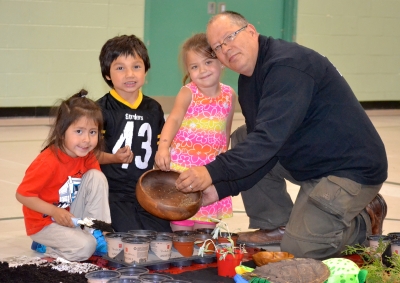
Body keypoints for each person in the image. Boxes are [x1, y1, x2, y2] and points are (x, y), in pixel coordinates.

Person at [175, 11, 388, 259]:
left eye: (230, 37)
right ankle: (277, 224)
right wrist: (219, 189)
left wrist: (210, 172)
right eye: (218, 47)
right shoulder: (249, 77)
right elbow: (263, 148)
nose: (226, 49)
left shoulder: (287, 65)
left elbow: (267, 141)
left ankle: (363, 218)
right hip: (310, 162)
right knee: (245, 137)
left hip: (349, 170)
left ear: (251, 31)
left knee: (302, 249)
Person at [16, 89, 111, 261]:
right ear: (61, 132)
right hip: (44, 224)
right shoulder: (48, 161)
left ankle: (95, 232)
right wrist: (54, 211)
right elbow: (22, 195)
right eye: (79, 131)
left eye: (92, 132)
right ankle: (46, 245)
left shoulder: (88, 157)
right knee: (86, 247)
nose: (86, 140)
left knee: (97, 178)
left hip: (69, 217)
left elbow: (95, 193)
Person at [155, 33, 236, 232]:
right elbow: (172, 120)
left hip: (209, 172)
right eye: (194, 66)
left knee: (204, 232)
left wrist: (225, 161)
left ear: (222, 62)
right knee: (181, 228)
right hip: (182, 170)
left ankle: (201, 260)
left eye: (208, 62)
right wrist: (163, 147)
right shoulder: (188, 92)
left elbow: (226, 129)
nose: (202, 70)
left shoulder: (229, 95)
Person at [97, 34, 172, 233]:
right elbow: (89, 154)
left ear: (146, 70)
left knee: (163, 236)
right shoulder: (100, 109)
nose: (129, 74)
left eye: (136, 66)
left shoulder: (153, 108)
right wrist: (113, 158)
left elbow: (160, 148)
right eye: (120, 68)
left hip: (147, 189)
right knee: (130, 237)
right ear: (107, 74)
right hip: (115, 191)